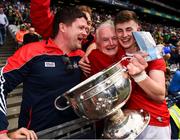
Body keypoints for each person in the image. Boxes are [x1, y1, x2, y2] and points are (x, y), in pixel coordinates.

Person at [79, 10, 170, 139]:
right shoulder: (118, 53)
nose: (124, 35)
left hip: (154, 122)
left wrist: (139, 75)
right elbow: (100, 40)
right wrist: (86, 53)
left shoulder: (151, 53)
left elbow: (160, 94)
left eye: (129, 29)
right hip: (128, 123)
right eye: (120, 31)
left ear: (138, 29)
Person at [0, 6, 88, 139]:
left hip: (77, 131)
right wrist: (1, 132)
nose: (85, 33)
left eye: (87, 29)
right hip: (37, 135)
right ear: (63, 27)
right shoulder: (31, 52)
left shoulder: (82, 57)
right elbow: (1, 84)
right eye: (81, 28)